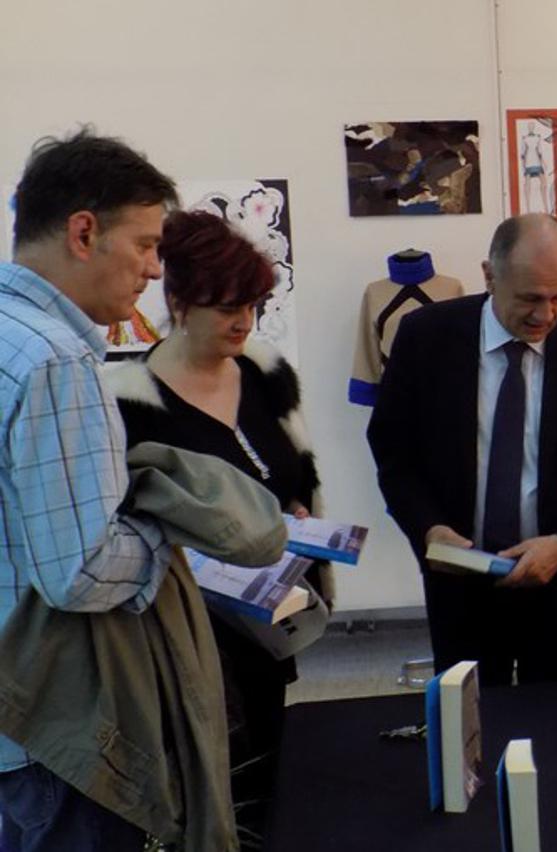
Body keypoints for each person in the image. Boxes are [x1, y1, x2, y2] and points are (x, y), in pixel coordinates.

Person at [107, 209, 331, 847]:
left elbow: (294, 472)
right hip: (193, 627)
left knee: (272, 768)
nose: (244, 321)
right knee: (208, 781)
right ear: (179, 301)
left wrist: (298, 512)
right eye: (227, 307)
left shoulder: (264, 372)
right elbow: (134, 521)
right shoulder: (129, 402)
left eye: (253, 306)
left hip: (273, 610)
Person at [367, 213, 557, 686]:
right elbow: (395, 455)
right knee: (472, 720)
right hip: (462, 587)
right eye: (529, 298)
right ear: (489, 276)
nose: (546, 315)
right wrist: (428, 528)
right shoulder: (426, 337)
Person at [0, 130, 178, 850]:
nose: (154, 269)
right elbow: (78, 570)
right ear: (83, 233)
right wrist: (168, 534)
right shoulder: (55, 359)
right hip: (51, 725)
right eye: (145, 244)